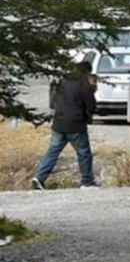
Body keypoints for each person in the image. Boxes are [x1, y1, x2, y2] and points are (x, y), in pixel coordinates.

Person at [32, 62, 99, 190]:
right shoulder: (84, 85)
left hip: (58, 123)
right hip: (76, 125)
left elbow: (52, 104)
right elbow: (91, 106)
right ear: (86, 72)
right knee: (84, 153)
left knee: (52, 151)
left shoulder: (61, 83)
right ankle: (87, 182)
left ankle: (39, 178)